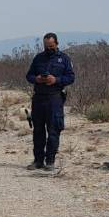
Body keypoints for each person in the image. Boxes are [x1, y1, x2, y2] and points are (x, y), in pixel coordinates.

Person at [24, 33, 75, 171]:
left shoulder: (64, 59)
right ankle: (38, 161)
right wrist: (37, 79)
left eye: (51, 46)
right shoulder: (38, 58)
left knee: (54, 130)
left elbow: (71, 77)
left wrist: (56, 80)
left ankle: (50, 161)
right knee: (38, 131)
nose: (49, 48)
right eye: (46, 46)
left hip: (55, 98)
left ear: (57, 44)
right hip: (39, 98)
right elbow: (29, 76)